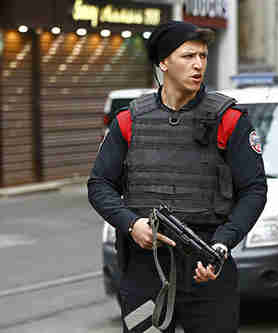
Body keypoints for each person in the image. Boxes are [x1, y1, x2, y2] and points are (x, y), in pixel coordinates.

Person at [88, 20, 267, 333]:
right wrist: (132, 225)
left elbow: (254, 190)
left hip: (207, 262)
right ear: (163, 62)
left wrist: (223, 245)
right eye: (188, 56)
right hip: (146, 266)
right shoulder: (129, 121)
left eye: (203, 56)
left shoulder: (229, 119)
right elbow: (99, 185)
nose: (198, 65)